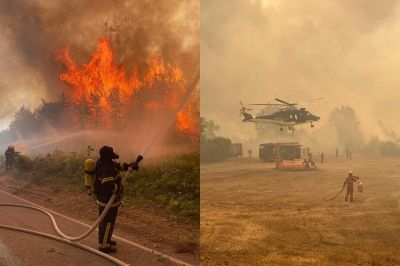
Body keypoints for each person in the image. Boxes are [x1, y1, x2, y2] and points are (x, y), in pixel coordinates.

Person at [95, 146, 138, 253]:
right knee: (108, 223)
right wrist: (119, 188)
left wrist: (129, 165)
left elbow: (117, 166)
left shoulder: (106, 163)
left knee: (105, 222)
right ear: (109, 156)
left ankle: (106, 240)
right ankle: (104, 246)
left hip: (107, 200)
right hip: (107, 201)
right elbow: (107, 185)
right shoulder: (107, 168)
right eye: (112, 152)